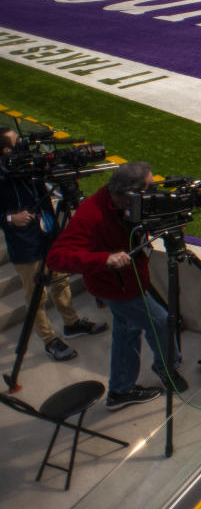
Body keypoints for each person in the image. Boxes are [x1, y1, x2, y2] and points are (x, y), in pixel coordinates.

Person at [47, 162, 186, 410]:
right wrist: (104, 259)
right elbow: (56, 257)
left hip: (130, 283)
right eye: (149, 187)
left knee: (127, 332)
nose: (154, 193)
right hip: (117, 289)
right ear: (129, 194)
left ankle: (120, 391)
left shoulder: (126, 204)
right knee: (162, 321)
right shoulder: (91, 214)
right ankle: (166, 367)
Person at [2, 129, 106, 362]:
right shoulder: (3, 176)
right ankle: (49, 340)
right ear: (6, 151)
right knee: (36, 296)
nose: (24, 146)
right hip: (25, 244)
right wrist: (10, 218)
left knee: (61, 283)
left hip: (50, 235)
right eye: (18, 143)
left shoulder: (30, 167)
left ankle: (72, 323)